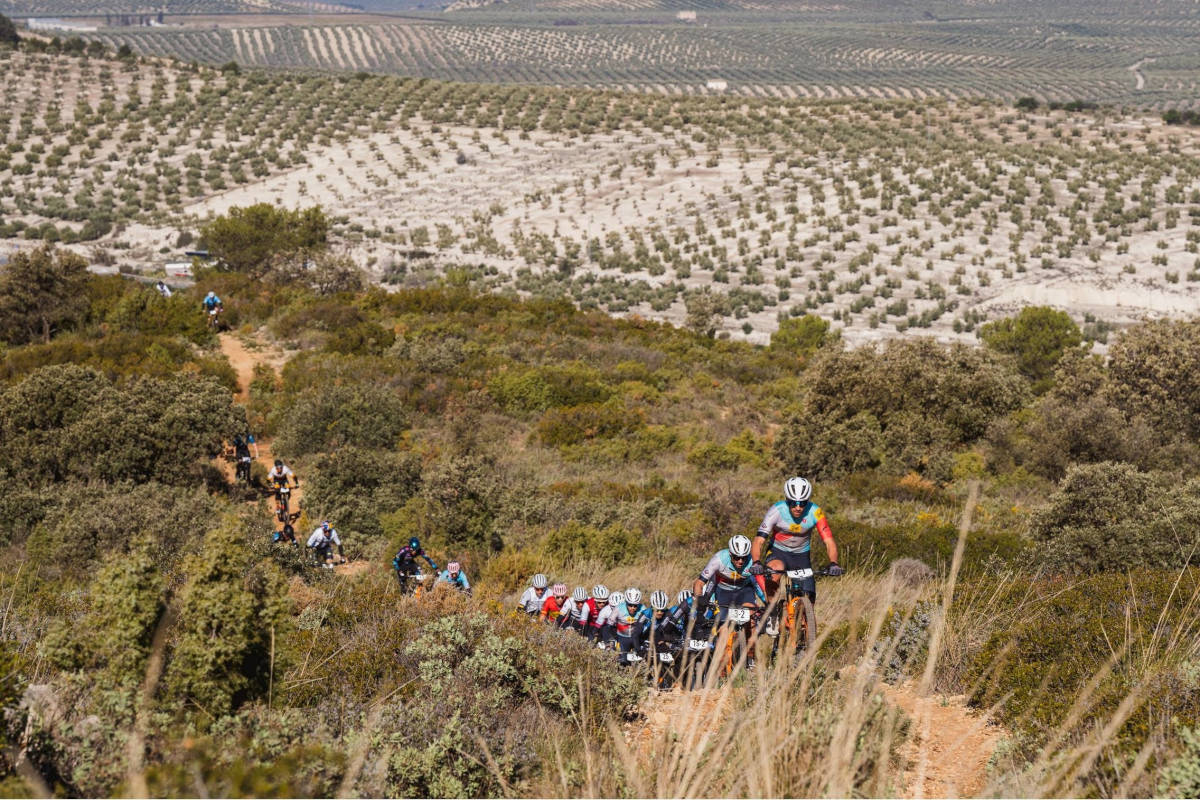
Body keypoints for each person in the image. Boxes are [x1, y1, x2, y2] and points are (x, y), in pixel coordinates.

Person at [748, 477, 843, 618]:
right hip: (778, 552)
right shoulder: (777, 510)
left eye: (802, 503)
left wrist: (834, 563)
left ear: (808, 501)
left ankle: (804, 633)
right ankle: (772, 612)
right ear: (787, 500)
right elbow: (759, 540)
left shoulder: (815, 512)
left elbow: (829, 541)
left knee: (809, 600)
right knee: (774, 573)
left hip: (801, 557)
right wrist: (756, 562)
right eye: (793, 503)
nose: (798, 507)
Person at [614, 588, 651, 656]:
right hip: (622, 637)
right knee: (623, 659)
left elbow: (647, 625)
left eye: (635, 606)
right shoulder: (619, 608)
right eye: (630, 605)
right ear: (626, 603)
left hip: (637, 638)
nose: (632, 608)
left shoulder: (643, 609)